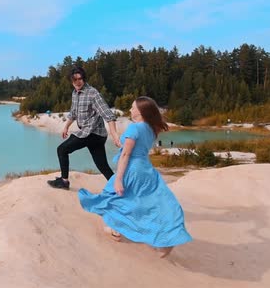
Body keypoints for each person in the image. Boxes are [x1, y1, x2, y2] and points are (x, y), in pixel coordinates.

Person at [78, 96, 192, 258]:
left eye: (133, 108)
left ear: (140, 111)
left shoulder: (134, 128)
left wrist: (118, 179)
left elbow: (126, 155)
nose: (130, 110)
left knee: (110, 196)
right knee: (151, 202)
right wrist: (120, 141)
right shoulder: (151, 129)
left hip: (132, 169)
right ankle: (166, 239)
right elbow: (133, 147)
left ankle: (115, 229)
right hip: (147, 169)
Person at [47, 67, 121, 190]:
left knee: (62, 150)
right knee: (102, 165)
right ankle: (118, 187)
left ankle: (64, 181)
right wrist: (66, 126)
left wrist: (114, 135)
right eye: (75, 79)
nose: (78, 81)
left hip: (91, 133)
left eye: (80, 78)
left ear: (84, 79)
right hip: (94, 135)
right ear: (71, 81)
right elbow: (73, 113)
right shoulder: (75, 93)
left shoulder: (92, 93)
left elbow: (108, 114)